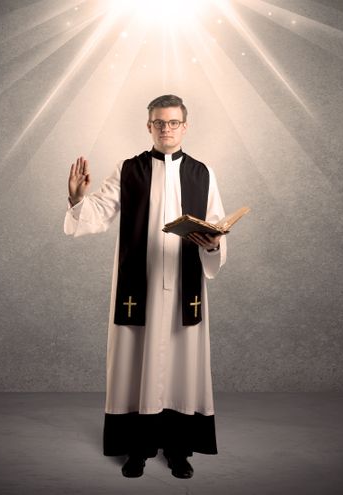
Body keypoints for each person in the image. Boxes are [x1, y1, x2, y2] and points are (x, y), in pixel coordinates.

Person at [64, 94, 227, 478]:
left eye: (173, 122)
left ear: (185, 126)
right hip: (140, 287)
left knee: (183, 367)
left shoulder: (203, 173)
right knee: (135, 362)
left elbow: (217, 222)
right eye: (159, 122)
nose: (166, 129)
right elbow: (99, 213)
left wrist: (215, 241)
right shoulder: (129, 169)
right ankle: (137, 448)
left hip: (185, 287)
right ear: (148, 126)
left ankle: (179, 449)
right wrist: (75, 198)